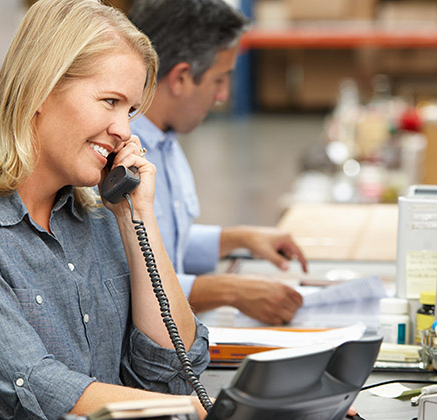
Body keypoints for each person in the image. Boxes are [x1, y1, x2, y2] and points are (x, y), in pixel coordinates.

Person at [0, 1, 210, 419]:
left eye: (130, 111)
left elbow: (173, 374)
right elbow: (35, 392)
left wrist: (135, 217)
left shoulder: (102, 216)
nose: (125, 131)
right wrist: (197, 410)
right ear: (40, 89)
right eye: (109, 101)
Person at [128, 0, 308, 325]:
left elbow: (162, 245)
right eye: (219, 79)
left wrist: (239, 239)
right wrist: (229, 290)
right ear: (181, 78)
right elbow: (126, 283)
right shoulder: (120, 158)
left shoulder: (166, 142)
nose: (223, 94)